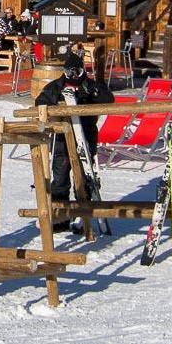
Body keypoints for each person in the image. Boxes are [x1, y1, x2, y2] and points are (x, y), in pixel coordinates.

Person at [34, 64, 114, 231]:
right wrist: (56, 102)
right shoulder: (57, 86)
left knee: (85, 178)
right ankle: (60, 217)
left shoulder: (90, 85)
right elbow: (40, 102)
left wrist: (92, 92)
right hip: (62, 138)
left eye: (76, 71)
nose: (74, 75)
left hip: (85, 136)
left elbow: (108, 99)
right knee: (60, 178)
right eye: (71, 71)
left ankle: (82, 217)